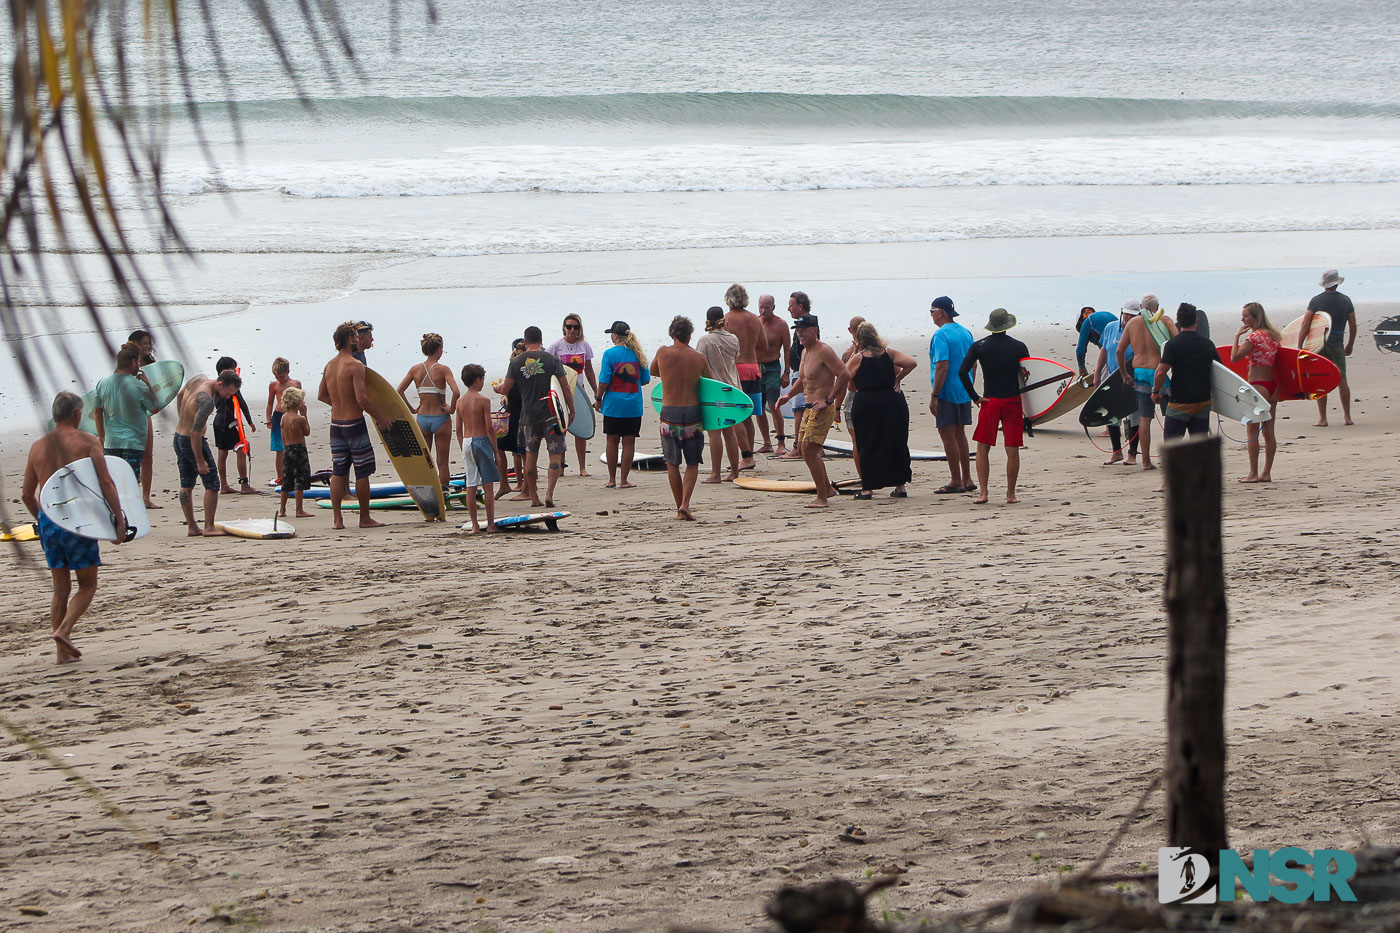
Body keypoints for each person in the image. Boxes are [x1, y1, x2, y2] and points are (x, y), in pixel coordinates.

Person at [22, 392, 128, 663]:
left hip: (49, 522)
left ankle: (61, 655)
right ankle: (64, 631)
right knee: (88, 585)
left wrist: (45, 521)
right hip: (78, 521)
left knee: (60, 589)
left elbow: (26, 495)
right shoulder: (88, 441)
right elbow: (106, 483)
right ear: (77, 414)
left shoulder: (37, 446)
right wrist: (119, 520)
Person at [317, 321, 391, 530]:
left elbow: (322, 395)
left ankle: (338, 520)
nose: (358, 338)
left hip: (336, 425)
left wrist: (340, 403)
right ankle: (364, 518)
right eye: (355, 336)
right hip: (354, 424)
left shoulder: (329, 365)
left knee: (338, 471)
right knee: (362, 471)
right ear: (349, 340)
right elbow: (361, 398)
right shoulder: (356, 365)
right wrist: (379, 416)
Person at [496, 326, 573, 508]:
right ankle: (549, 494)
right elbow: (565, 387)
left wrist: (497, 389)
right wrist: (571, 409)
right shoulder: (552, 359)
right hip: (551, 416)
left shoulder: (516, 362)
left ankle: (534, 498)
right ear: (541, 339)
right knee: (555, 455)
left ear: (525, 339)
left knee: (530, 456)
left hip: (528, 417)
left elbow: (505, 389)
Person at [960, 308, 1030, 505]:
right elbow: (1028, 374)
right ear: (1008, 325)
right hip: (1013, 401)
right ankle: (1010, 494)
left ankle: (983, 493)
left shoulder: (979, 346)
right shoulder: (1019, 347)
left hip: (990, 401)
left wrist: (974, 397)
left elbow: (962, 372)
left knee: (983, 447)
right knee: (1012, 448)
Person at [780, 314, 850, 509]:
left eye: (803, 330)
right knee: (803, 450)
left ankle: (822, 497)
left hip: (822, 408)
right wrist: (788, 396)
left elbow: (844, 374)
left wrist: (829, 400)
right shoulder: (805, 352)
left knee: (809, 451)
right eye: (798, 330)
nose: (800, 334)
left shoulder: (824, 351)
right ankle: (826, 489)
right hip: (808, 408)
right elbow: (803, 380)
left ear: (815, 330)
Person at [650, 315, 709, 520]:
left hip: (669, 413)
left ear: (672, 333)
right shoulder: (698, 357)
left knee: (672, 463)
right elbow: (710, 384)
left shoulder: (663, 352)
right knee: (692, 463)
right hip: (692, 413)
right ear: (689, 335)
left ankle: (679, 509)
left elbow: (652, 370)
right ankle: (685, 504)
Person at [847, 322, 915, 498]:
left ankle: (867, 487)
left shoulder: (859, 358)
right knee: (897, 442)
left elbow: (845, 376)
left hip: (867, 402)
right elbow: (911, 362)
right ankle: (900, 486)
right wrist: (898, 378)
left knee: (867, 443)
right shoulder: (888, 353)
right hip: (892, 401)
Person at [173, 369, 243, 536]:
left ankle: (192, 527)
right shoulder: (207, 402)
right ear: (220, 384)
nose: (227, 397)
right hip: (192, 440)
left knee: (186, 483)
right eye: (228, 393)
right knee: (212, 482)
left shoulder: (199, 379)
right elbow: (195, 433)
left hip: (178, 436)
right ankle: (209, 527)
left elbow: (180, 395)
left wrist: (183, 417)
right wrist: (199, 460)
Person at [1116, 296, 1178, 471]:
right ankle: (1168, 458)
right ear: (1157, 308)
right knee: (1171, 418)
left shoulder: (1131, 324)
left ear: (1142, 307)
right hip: (1160, 372)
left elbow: (1120, 351)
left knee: (1145, 419)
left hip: (1140, 372)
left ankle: (1145, 462)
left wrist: (1124, 374)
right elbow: (1178, 340)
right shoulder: (1163, 321)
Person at [1153, 304, 1217, 460]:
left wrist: (1155, 391)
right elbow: (1218, 372)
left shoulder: (1173, 344)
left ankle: (1169, 483)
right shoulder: (1207, 344)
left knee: (1172, 445)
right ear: (1196, 320)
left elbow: (1161, 371)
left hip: (1179, 402)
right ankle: (1201, 482)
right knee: (1200, 446)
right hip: (1202, 401)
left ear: (1178, 321)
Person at [398, 333, 461, 489]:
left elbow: (399, 391)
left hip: (422, 419)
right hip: (441, 418)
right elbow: (457, 392)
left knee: (425, 461)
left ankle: (426, 490)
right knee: (442, 462)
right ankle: (444, 493)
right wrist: (451, 409)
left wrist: (413, 409)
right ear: (439, 349)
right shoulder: (443, 369)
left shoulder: (415, 369)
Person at [92, 340, 160, 485]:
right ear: (134, 362)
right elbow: (154, 408)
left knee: (113, 483)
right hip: (132, 444)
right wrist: (148, 384)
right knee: (130, 483)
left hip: (110, 443)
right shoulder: (138, 385)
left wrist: (102, 436)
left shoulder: (102, 383)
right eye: (139, 362)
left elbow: (97, 412)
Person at [1231, 302, 1282, 483]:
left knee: (1252, 431)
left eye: (1245, 316)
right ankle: (1266, 473)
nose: (1243, 319)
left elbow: (1234, 357)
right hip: (1272, 387)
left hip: (1257, 386)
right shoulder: (1273, 336)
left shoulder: (1253, 337)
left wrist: (1237, 336)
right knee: (1269, 432)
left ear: (1255, 317)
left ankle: (1253, 473)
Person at [928, 296, 975, 493]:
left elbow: (942, 365)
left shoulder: (941, 335)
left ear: (941, 312)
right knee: (960, 434)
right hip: (963, 388)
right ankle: (967, 478)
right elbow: (974, 363)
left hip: (947, 390)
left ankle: (956, 480)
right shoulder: (965, 332)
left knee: (948, 434)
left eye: (932, 311)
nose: (931, 315)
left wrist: (935, 395)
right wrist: (970, 385)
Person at [1300, 269, 1356, 426]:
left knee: (1320, 380)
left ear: (1324, 284)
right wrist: (1350, 343)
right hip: (1337, 343)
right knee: (1342, 379)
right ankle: (1347, 417)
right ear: (1337, 284)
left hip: (1319, 344)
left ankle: (1323, 418)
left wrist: (1300, 345)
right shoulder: (1346, 300)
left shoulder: (1316, 301)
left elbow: (1305, 324)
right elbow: (1352, 324)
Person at [723, 283, 769, 467]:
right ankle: (747, 454)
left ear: (728, 299)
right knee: (748, 415)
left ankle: (746, 456)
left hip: (737, 370)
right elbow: (764, 346)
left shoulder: (727, 319)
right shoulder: (755, 319)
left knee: (735, 415)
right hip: (753, 368)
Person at [547, 313, 599, 476]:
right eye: (569, 326)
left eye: (575, 327)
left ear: (579, 329)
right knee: (561, 429)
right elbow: (547, 365)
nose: (572, 330)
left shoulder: (584, 346)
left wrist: (597, 393)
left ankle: (582, 468)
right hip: (561, 393)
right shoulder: (556, 346)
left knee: (581, 430)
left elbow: (589, 371)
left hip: (579, 391)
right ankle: (561, 466)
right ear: (564, 328)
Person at [696, 307, 742, 484]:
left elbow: (699, 364)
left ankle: (716, 473)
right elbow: (736, 357)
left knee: (714, 433)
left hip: (714, 390)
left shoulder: (705, 341)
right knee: (729, 431)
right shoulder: (733, 339)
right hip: (732, 389)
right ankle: (735, 470)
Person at [1094, 300, 1142, 465]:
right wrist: (1097, 374)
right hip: (1112, 379)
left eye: (1132, 315)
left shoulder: (1142, 330)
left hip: (1133, 379)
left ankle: (1132, 455)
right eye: (1126, 313)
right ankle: (1116, 452)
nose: (1127, 317)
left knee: (1134, 417)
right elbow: (1104, 349)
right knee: (1112, 417)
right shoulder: (1111, 327)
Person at [455, 364, 500, 534]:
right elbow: (489, 428)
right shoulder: (483, 401)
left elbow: (458, 430)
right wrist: (496, 451)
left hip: (467, 441)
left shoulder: (460, 402)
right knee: (487, 485)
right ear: (477, 380)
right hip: (481, 441)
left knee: (471, 484)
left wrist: (463, 447)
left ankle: (475, 525)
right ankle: (490, 524)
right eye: (482, 379)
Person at [211, 355, 257, 495]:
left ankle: (223, 485)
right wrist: (249, 421)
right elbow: (242, 403)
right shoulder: (230, 385)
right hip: (228, 423)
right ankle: (244, 485)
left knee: (222, 453)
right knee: (241, 449)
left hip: (218, 422)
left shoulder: (215, 385)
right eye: (233, 369)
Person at [127, 329, 162, 509]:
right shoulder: (126, 364)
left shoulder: (151, 365)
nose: (148, 347)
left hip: (145, 412)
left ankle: (146, 498)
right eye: (144, 343)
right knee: (131, 456)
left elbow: (158, 391)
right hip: (128, 414)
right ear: (134, 344)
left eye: (149, 343)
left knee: (147, 457)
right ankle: (131, 495)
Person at [757, 294, 792, 455]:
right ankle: (766, 442)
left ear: (773, 307)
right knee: (758, 407)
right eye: (761, 307)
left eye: (767, 307)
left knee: (773, 404)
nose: (764, 310)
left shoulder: (781, 325)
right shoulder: (755, 322)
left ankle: (781, 441)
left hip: (772, 367)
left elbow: (787, 350)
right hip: (756, 368)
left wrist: (786, 372)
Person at [778, 291, 811, 459]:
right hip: (798, 371)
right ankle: (805, 446)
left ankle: (798, 448)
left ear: (800, 306)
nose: (789, 308)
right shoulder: (800, 324)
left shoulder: (807, 324)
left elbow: (810, 351)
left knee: (799, 409)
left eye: (791, 305)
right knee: (802, 409)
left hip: (802, 373)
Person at [493, 338, 527, 500]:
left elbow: (504, 387)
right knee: (500, 446)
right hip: (511, 412)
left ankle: (526, 487)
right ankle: (505, 484)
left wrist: (498, 389)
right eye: (517, 354)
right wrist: (504, 394)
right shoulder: (513, 366)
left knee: (524, 452)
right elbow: (507, 387)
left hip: (524, 413)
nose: (518, 357)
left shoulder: (530, 369)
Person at [264, 357, 303, 485]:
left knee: (293, 446)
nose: (279, 379)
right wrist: (268, 418)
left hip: (293, 417)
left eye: (281, 376)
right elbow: (270, 404)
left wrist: (303, 416)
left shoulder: (296, 384)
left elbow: (301, 402)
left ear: (288, 371)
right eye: (276, 377)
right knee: (279, 449)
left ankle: (294, 474)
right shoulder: (273, 385)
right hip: (278, 416)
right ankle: (281, 478)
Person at [277, 387, 314, 518]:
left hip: (287, 449)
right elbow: (307, 432)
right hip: (299, 449)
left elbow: (282, 437)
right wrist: (305, 414)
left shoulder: (283, 418)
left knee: (287, 480)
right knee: (300, 479)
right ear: (298, 403)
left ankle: (282, 509)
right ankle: (299, 510)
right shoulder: (300, 419)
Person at [838, 316, 866, 480]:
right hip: (872, 397)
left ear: (850, 331)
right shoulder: (879, 351)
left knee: (858, 442)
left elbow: (843, 382)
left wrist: (835, 406)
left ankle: (865, 478)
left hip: (857, 398)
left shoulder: (850, 355)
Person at [1074, 306, 1119, 379]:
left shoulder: (1087, 322)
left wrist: (1081, 367)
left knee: (1105, 377)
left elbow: (1080, 351)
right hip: (1123, 341)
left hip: (1112, 345)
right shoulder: (1100, 317)